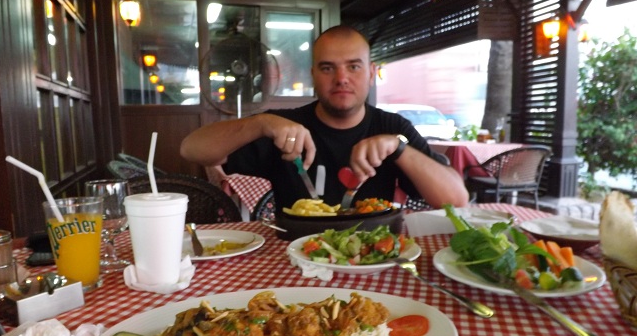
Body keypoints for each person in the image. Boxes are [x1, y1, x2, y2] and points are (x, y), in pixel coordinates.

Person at [180, 25, 469, 212]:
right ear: (313, 76)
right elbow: (191, 149)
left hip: (372, 259)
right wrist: (260, 123)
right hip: (296, 261)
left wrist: (400, 148)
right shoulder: (280, 128)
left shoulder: (393, 129)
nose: (341, 78)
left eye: (353, 67)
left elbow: (457, 200)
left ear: (371, 73)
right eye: (328, 68)